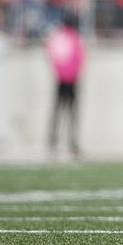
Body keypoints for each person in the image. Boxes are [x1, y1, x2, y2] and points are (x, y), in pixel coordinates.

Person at [46, 13, 85, 159]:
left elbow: (52, 55)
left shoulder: (57, 38)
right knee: (72, 113)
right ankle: (72, 142)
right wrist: (74, 74)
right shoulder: (75, 38)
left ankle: (52, 141)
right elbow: (80, 58)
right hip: (72, 80)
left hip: (60, 79)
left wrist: (58, 72)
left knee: (57, 111)